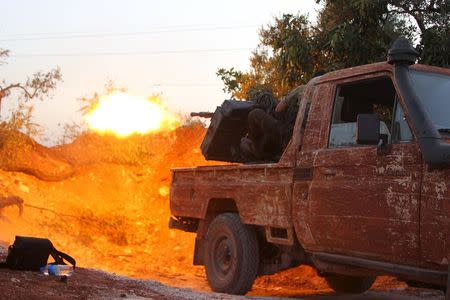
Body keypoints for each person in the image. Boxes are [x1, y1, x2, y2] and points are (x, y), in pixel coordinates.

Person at [240, 85, 305, 162]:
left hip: (290, 136)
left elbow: (278, 109)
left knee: (254, 114)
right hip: (303, 138)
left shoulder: (304, 88)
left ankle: (259, 153)